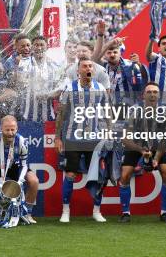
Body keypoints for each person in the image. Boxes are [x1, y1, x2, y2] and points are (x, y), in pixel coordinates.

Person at [55, 57, 111, 223]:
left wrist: (108, 132)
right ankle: (65, 211)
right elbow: (61, 114)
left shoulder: (100, 88)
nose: (88, 68)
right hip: (73, 138)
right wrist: (58, 137)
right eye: (85, 66)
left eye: (90, 66)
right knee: (71, 174)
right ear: (78, 70)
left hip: (94, 139)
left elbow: (107, 112)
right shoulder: (70, 89)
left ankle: (96, 210)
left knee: (99, 175)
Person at [118, 82, 166, 223]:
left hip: (157, 146)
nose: (152, 94)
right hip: (136, 145)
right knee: (124, 176)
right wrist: (140, 150)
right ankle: (125, 213)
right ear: (143, 95)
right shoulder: (134, 111)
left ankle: (164, 212)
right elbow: (125, 138)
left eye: (155, 92)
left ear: (159, 94)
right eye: (149, 92)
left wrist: (156, 158)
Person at [15, 36, 63, 123]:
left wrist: (48, 95)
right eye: (36, 45)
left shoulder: (54, 66)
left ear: (47, 47)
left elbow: (59, 89)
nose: (39, 48)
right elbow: (20, 81)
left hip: (49, 116)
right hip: (27, 115)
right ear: (32, 47)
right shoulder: (24, 63)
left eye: (42, 45)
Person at [101, 39, 146, 105]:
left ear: (120, 53)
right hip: (110, 108)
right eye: (109, 53)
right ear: (104, 55)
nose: (112, 55)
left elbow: (140, 87)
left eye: (115, 52)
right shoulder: (103, 67)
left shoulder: (130, 65)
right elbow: (95, 58)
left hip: (129, 107)